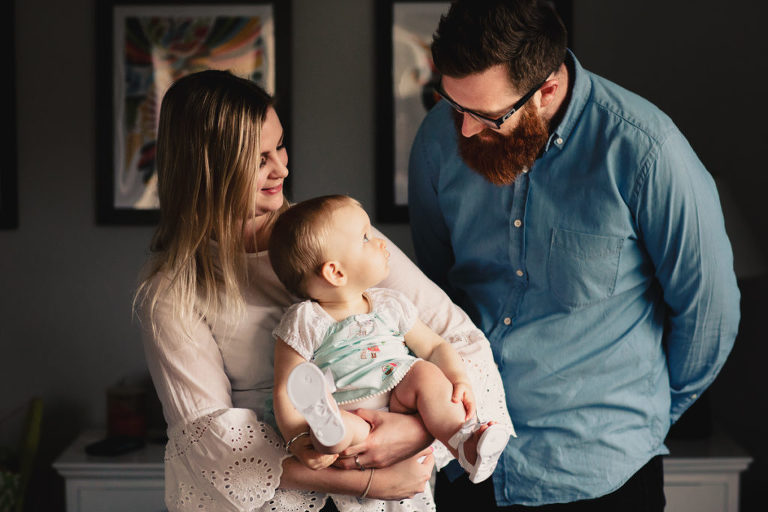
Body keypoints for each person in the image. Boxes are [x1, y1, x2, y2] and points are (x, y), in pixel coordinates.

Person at [407, 0, 741, 510]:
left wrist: (639, 417)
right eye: (454, 106)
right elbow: (433, 297)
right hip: (470, 469)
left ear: (547, 90)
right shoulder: (438, 139)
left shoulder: (648, 151)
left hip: (602, 478)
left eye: (485, 115)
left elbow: (709, 317)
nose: (465, 130)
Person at [135, 69, 511, 512]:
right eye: (259, 160)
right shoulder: (173, 293)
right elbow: (211, 439)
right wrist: (367, 480)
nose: (282, 167)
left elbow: (457, 340)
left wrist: (415, 433)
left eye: (279, 145)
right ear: (209, 170)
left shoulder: (338, 237)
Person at [268, 195, 512, 488]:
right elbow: (286, 387)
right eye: (366, 237)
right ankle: (327, 429)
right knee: (344, 429)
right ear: (336, 272)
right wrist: (296, 437)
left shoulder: (389, 304)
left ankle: (465, 443)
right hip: (351, 407)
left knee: (425, 373)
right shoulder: (306, 319)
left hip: (400, 395)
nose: (380, 242)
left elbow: (434, 347)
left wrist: (458, 378)